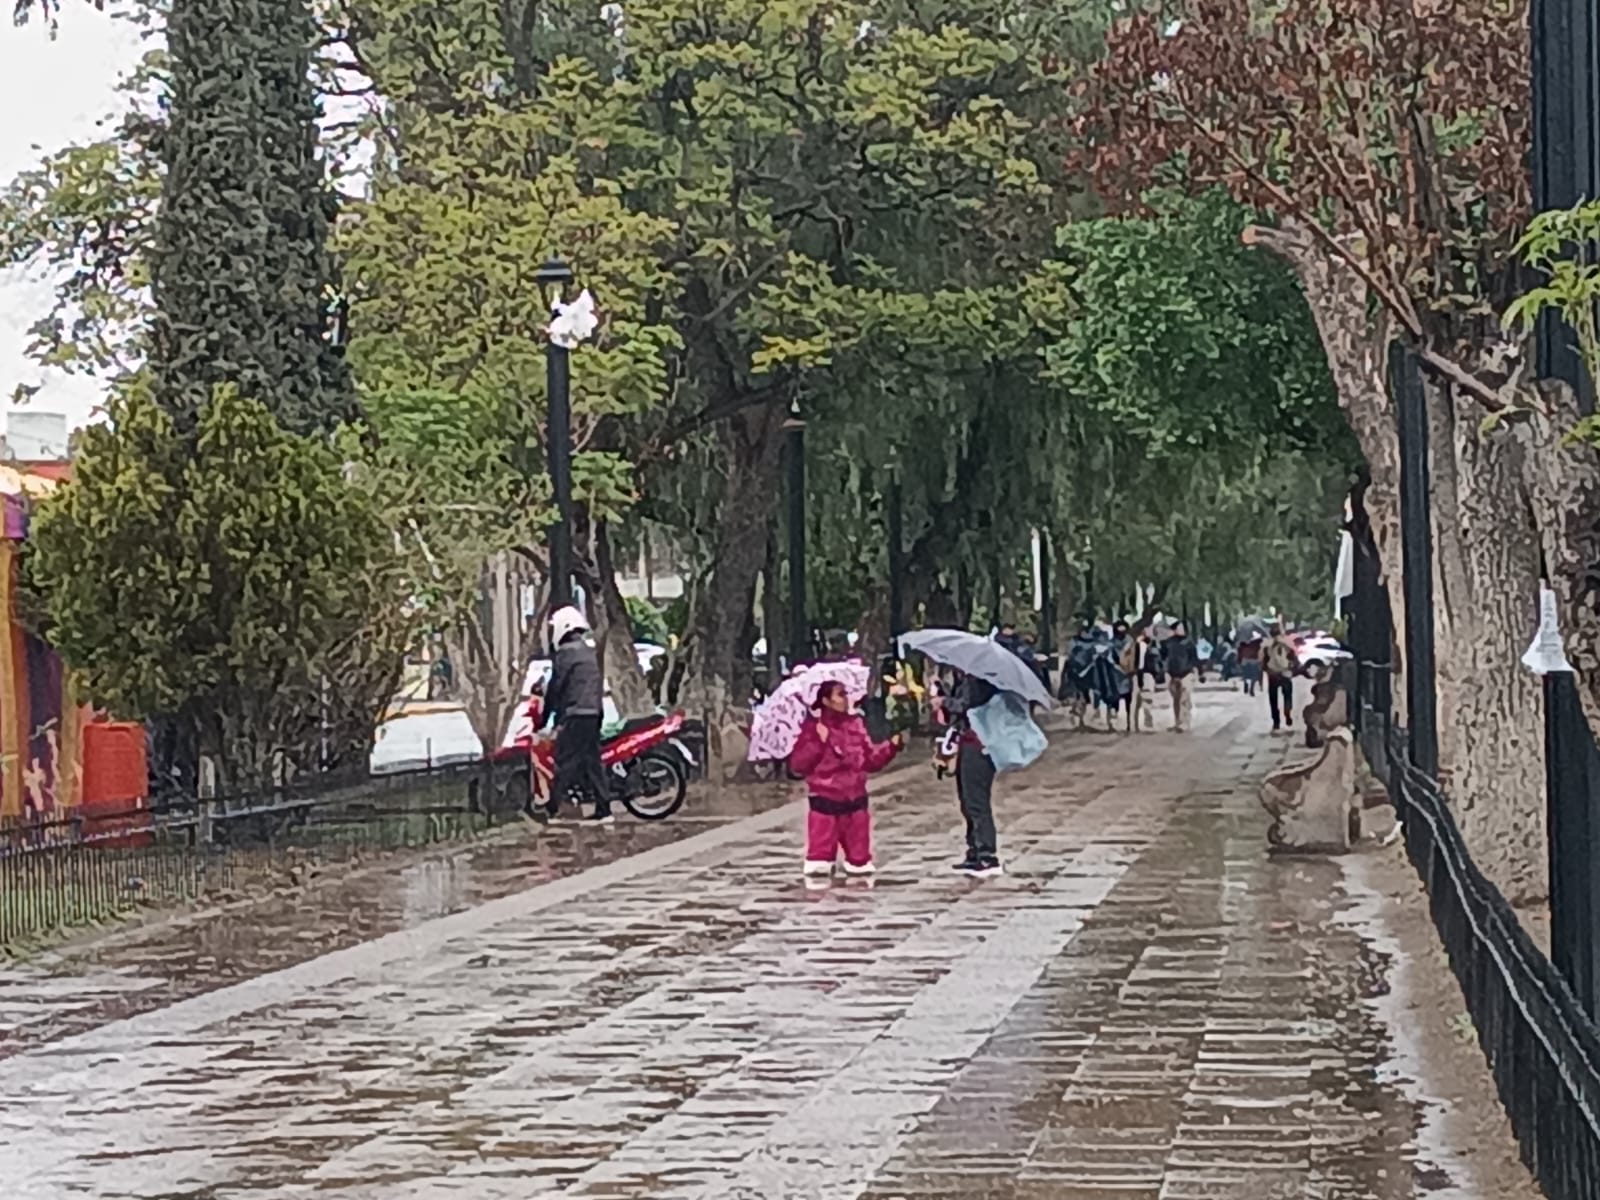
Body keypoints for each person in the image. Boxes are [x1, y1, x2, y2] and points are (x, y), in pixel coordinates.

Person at [788, 681, 902, 881]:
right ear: (825, 700)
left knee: (861, 866)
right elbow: (799, 765)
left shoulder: (855, 724)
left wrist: (890, 748)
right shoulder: (813, 728)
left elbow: (870, 760)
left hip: (855, 803)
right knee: (819, 868)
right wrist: (818, 742)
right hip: (825, 805)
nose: (846, 699)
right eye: (840, 695)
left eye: (846, 693)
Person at [540, 606, 611, 823]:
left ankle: (553, 808)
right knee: (591, 761)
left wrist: (546, 718)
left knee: (566, 761)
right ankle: (604, 808)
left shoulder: (566, 654)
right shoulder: (588, 652)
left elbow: (556, 688)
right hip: (594, 712)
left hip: (575, 714)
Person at [943, 670, 1003, 877]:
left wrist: (944, 701)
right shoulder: (966, 679)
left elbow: (966, 707)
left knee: (976, 800)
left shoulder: (979, 681)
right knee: (967, 800)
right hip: (967, 742)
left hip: (979, 744)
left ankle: (987, 854)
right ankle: (975, 850)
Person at [1163, 621, 1199, 733]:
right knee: (1176, 700)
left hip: (1186, 674)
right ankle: (1177, 721)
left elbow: (1194, 659)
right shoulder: (1168, 643)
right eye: (1178, 628)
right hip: (1172, 674)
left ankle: (1185, 722)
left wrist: (1197, 672)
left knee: (1184, 698)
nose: (1180, 630)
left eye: (1182, 628)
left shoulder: (1189, 643)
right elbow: (1164, 657)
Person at [1263, 623, 1300, 733]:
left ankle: (1276, 722)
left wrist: (1267, 670)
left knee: (1273, 699)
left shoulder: (1267, 645)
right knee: (1287, 696)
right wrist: (1292, 668)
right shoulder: (1287, 644)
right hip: (1285, 673)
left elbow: (1263, 661)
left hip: (1273, 674)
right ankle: (1287, 713)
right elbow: (1294, 658)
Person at [1237, 632, 1263, 697]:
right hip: (1254, 661)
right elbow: (1260, 654)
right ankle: (1251, 688)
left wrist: (1239, 660)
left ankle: (1246, 683)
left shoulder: (1243, 642)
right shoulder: (1258, 644)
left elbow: (1240, 652)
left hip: (1245, 660)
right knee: (1254, 676)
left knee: (1245, 674)